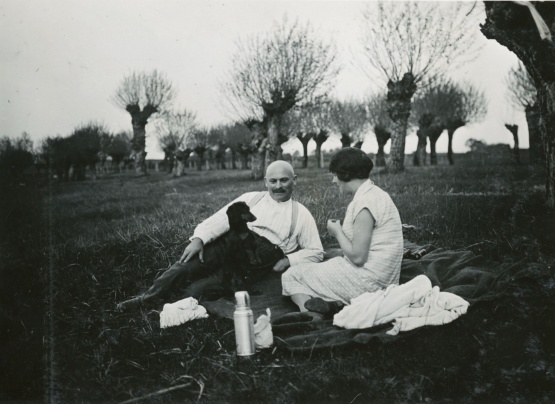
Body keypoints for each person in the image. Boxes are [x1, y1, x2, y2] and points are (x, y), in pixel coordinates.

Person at [117, 160, 324, 311]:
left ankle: (165, 307)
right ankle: (146, 299)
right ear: (265, 181)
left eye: (284, 180)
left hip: (257, 256)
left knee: (203, 287)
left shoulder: (301, 213)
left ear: (294, 180)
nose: (278, 186)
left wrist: (289, 259)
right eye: (273, 181)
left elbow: (316, 251)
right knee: (187, 265)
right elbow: (220, 219)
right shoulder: (252, 199)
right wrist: (199, 239)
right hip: (230, 241)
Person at [282, 148, 403, 313]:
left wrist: (337, 232)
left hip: (369, 283)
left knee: (291, 275)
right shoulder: (376, 194)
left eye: (335, 175)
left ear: (345, 175)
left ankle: (309, 314)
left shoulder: (365, 204)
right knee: (319, 263)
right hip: (382, 277)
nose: (334, 181)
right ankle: (329, 303)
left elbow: (359, 258)